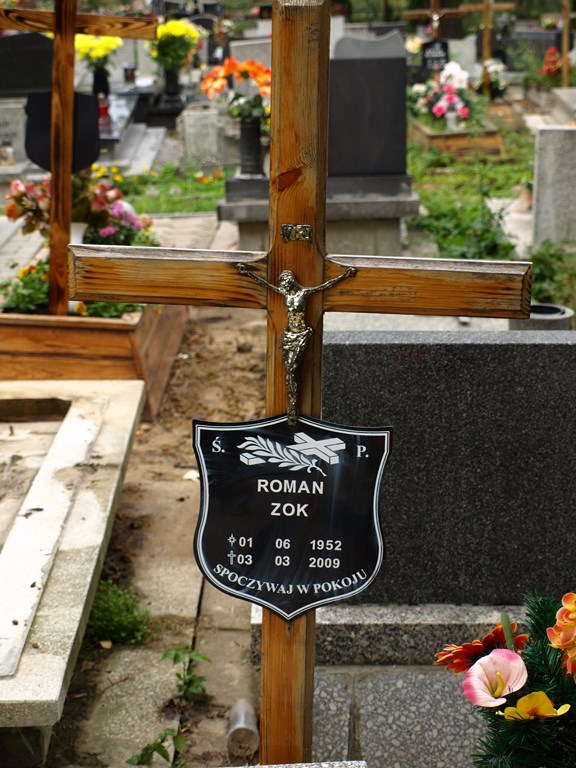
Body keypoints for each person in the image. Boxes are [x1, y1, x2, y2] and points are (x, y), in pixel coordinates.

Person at [236, 264, 356, 423]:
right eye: (282, 283)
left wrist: (345, 276)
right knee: (289, 370)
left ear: (291, 281)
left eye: (285, 282)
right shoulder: (284, 293)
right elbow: (265, 285)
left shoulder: (303, 293)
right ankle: (292, 406)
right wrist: (247, 273)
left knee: (293, 368)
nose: (283, 285)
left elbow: (326, 286)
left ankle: (293, 405)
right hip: (288, 334)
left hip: (301, 334)